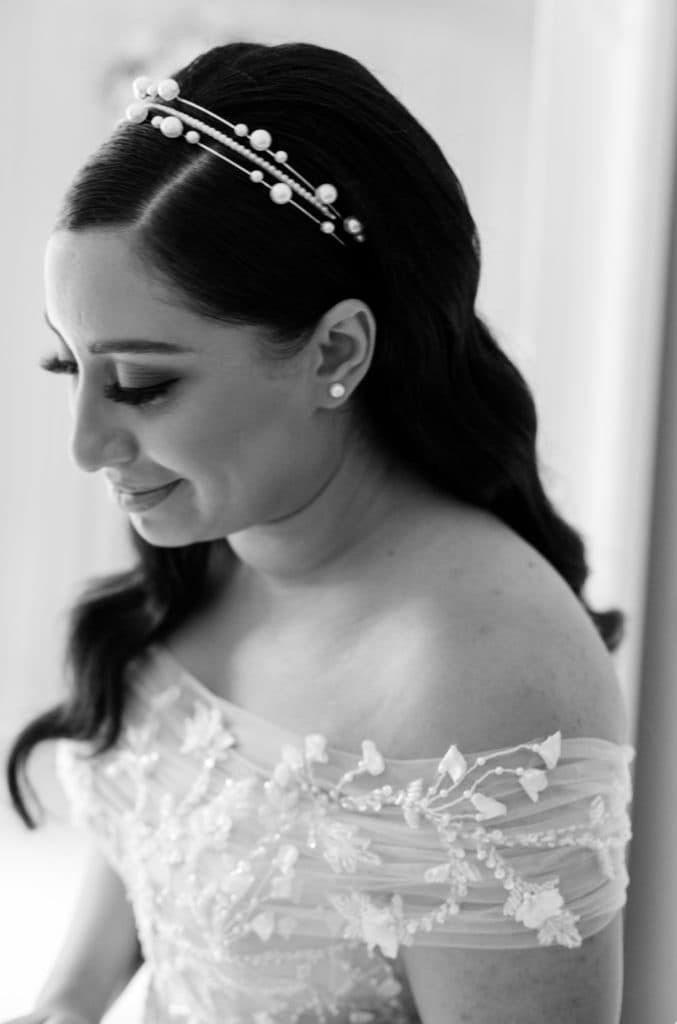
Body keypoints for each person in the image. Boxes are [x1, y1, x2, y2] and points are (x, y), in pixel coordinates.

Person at [4, 40, 635, 1024]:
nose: (87, 445)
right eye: (68, 368)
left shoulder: (490, 681)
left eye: (142, 384)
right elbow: (128, 914)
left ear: (335, 351)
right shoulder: (219, 530)